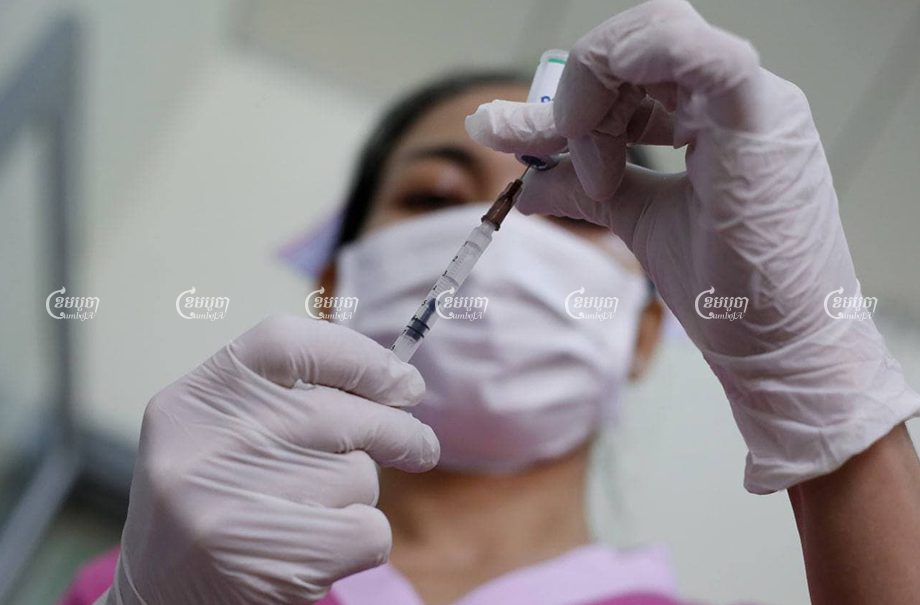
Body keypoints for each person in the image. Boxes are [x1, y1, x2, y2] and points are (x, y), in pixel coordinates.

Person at [61, 2, 920, 604]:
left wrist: (820, 382)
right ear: (334, 291)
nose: (499, 233)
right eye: (434, 196)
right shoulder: (165, 582)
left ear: (645, 328)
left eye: (576, 215)